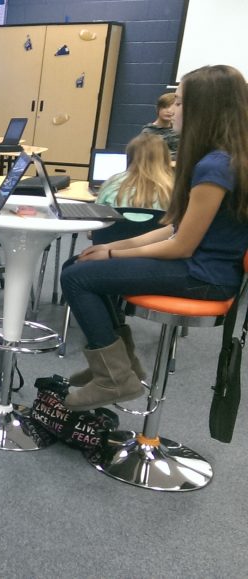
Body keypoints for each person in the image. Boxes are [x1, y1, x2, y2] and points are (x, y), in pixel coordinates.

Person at [61, 65, 248, 410]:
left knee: (76, 277)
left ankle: (112, 377)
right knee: (80, 263)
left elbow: (182, 245)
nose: (171, 110)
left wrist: (114, 257)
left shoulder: (215, 166)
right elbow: (174, 227)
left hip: (204, 277)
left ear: (205, 108)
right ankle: (123, 365)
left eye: (179, 102)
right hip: (199, 267)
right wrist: (113, 247)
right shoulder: (220, 159)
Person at [95, 132, 173, 219]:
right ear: (165, 158)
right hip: (157, 232)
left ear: (129, 156)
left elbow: (96, 214)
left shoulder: (112, 182)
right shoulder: (173, 189)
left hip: (114, 232)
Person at [140, 92, 180, 157]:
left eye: (173, 108)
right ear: (158, 109)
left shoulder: (177, 130)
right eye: (165, 107)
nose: (169, 111)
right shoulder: (148, 132)